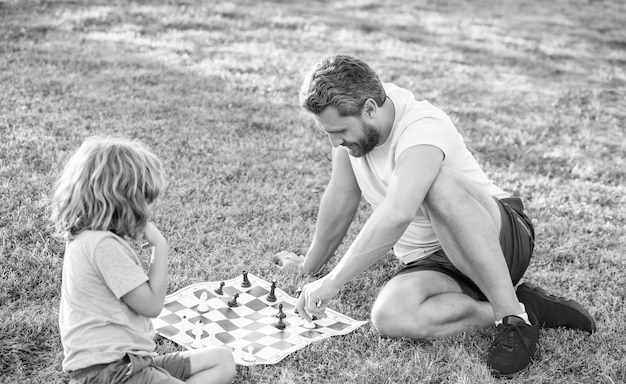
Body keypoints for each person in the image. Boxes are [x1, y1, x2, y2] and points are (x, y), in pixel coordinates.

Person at [276, 55, 596, 378]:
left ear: (370, 109)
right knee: (389, 316)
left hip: (500, 238)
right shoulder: (353, 126)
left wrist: (332, 283)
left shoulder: (421, 128)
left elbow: (397, 213)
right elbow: (343, 196)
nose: (334, 142)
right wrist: (309, 266)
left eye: (339, 131)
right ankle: (526, 305)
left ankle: (513, 318)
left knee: (435, 182)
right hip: (436, 262)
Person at [51, 137, 236, 384]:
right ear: (125, 200)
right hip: (112, 373)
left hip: (130, 364)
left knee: (222, 359)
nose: (146, 210)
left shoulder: (87, 239)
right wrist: (160, 248)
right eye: (143, 200)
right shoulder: (102, 246)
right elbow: (151, 305)